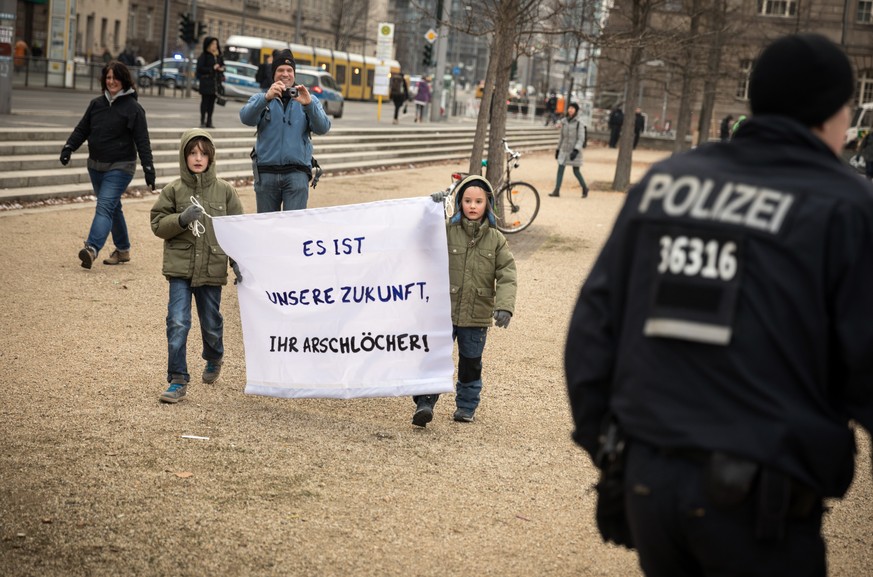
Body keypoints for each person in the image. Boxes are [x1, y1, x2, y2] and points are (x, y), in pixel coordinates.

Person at [564, 33, 873, 576]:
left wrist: (609, 448)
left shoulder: (667, 183)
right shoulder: (845, 205)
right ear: (833, 113)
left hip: (648, 482)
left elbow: (593, 328)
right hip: (762, 506)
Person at [150, 129, 244, 403]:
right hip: (180, 269)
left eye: (203, 153)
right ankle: (177, 380)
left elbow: (237, 230)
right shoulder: (173, 190)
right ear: (184, 156)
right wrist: (180, 219)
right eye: (192, 152)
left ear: (211, 157)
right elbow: (157, 224)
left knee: (211, 323)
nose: (198, 157)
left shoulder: (225, 191)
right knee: (178, 322)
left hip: (213, 269)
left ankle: (214, 356)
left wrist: (238, 262)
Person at [415, 175, 517, 426]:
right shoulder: (446, 230)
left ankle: (466, 406)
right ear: (460, 202)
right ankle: (425, 402)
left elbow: (507, 273)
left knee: (471, 363)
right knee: (434, 357)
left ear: (488, 204)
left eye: (478, 201)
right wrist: (432, 210)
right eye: (468, 200)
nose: (472, 206)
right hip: (443, 311)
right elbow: (421, 241)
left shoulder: (496, 239)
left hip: (477, 314)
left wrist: (505, 305)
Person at [60, 60, 155, 269]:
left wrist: (149, 168)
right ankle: (122, 250)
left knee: (104, 206)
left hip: (121, 166)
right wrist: (69, 147)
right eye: (108, 78)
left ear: (123, 80)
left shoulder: (134, 109)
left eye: (115, 78)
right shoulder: (96, 104)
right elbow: (82, 128)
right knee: (112, 208)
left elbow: (142, 141)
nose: (111, 81)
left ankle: (91, 248)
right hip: (95, 166)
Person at [239, 49, 331, 213]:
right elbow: (246, 118)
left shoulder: (308, 99)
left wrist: (308, 105)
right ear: (274, 74)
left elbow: (323, 127)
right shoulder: (262, 97)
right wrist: (265, 98)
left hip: (296, 174)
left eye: (289, 70)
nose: (285, 74)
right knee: (267, 228)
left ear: (294, 74)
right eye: (280, 70)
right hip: (266, 173)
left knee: (293, 231)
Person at [548, 102, 589, 198]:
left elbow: (581, 138)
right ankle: (556, 190)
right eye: (569, 108)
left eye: (573, 108)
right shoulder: (564, 121)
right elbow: (561, 137)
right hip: (564, 149)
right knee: (560, 168)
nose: (570, 110)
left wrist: (576, 150)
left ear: (576, 111)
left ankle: (585, 187)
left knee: (576, 171)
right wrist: (558, 149)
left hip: (574, 150)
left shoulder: (579, 123)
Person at [196, 37, 225, 128]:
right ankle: (202, 120)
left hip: (215, 83)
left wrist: (221, 69)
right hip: (206, 82)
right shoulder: (204, 55)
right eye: (213, 44)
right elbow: (200, 69)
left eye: (216, 44)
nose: (215, 46)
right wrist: (212, 68)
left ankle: (209, 121)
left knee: (212, 103)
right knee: (205, 102)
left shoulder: (218, 56)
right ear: (208, 45)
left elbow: (223, 66)